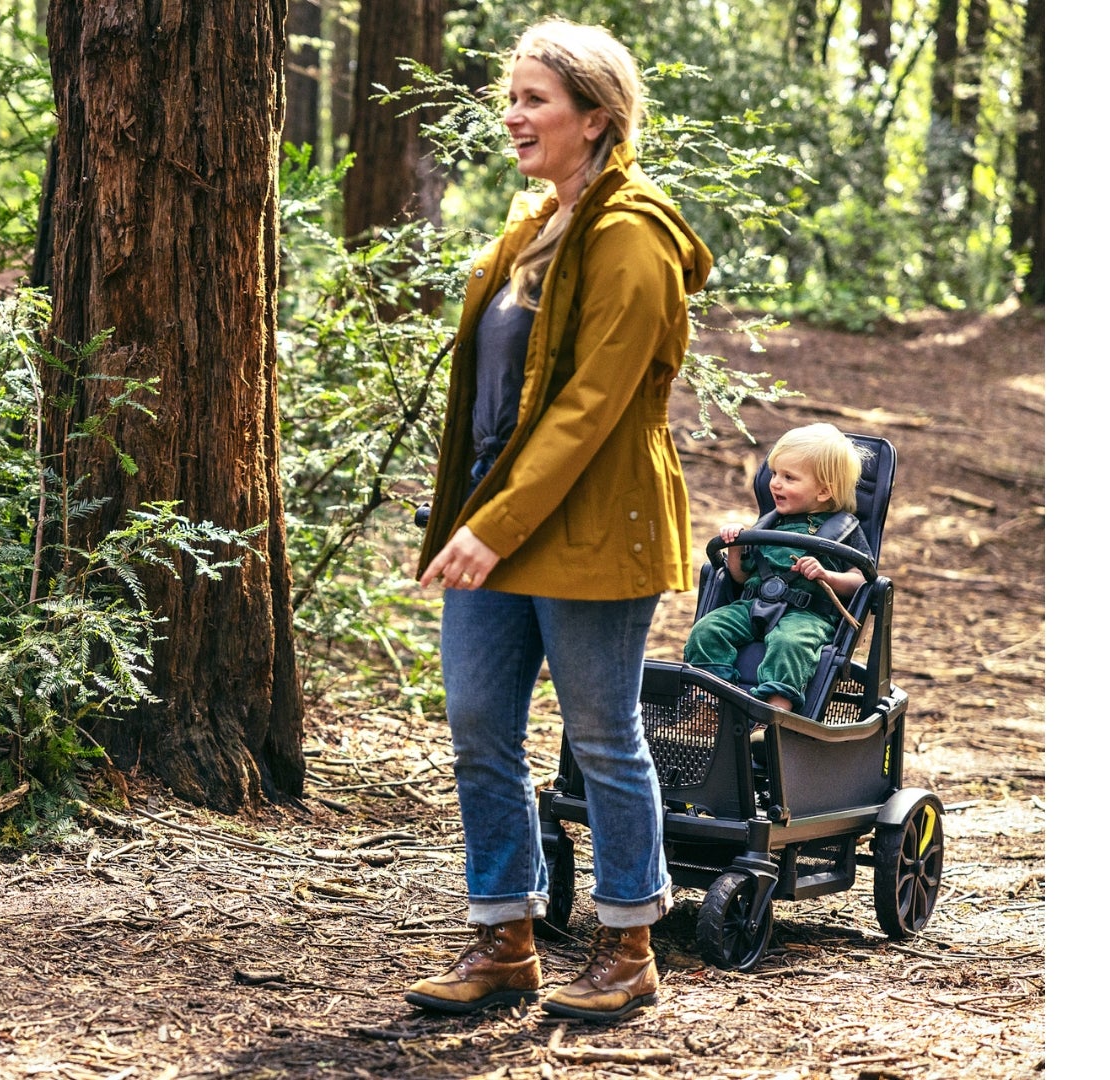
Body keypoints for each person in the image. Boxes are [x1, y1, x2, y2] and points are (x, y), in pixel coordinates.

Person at [405, 18, 712, 1022]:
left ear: (596, 117)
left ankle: (627, 943)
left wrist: (493, 525)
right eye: (513, 97)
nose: (514, 115)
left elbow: (591, 406)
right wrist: (469, 514)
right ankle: (504, 935)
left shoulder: (632, 239)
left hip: (591, 527)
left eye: (536, 99)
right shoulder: (531, 231)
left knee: (602, 735)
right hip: (500, 522)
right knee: (479, 726)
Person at [682, 423, 872, 713]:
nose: (775, 483)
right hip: (752, 604)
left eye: (788, 477)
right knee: (707, 631)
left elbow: (862, 581)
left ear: (823, 491)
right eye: (773, 474)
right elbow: (741, 576)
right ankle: (710, 708)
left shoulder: (845, 528)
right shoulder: (769, 524)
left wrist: (826, 575)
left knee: (789, 644)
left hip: (807, 615)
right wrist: (735, 545)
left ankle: (774, 718)